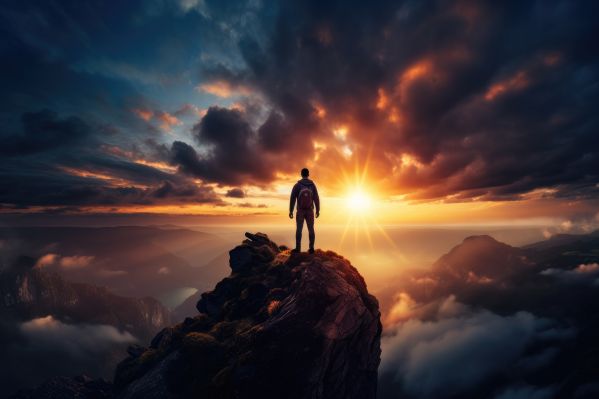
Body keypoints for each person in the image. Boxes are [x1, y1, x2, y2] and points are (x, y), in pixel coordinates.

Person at [289, 168, 320, 253]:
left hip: (300, 211)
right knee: (311, 229)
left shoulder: (297, 185)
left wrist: (291, 211)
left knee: (299, 229)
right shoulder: (312, 185)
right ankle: (311, 248)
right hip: (310, 210)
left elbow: (292, 199)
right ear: (308, 174)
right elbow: (316, 198)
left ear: (301, 174)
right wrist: (317, 210)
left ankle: (298, 248)